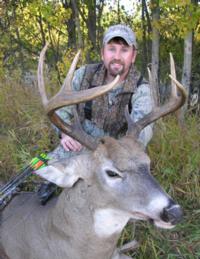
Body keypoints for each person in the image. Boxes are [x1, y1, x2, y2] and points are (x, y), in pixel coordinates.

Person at [38, 24, 154, 204]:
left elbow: (143, 131)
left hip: (116, 153)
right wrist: (64, 134)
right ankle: (37, 181)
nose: (117, 56)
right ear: (103, 53)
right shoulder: (83, 75)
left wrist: (118, 151)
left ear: (133, 56)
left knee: (106, 195)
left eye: (124, 50)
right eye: (112, 49)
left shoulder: (141, 88)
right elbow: (61, 111)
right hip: (80, 141)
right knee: (38, 165)